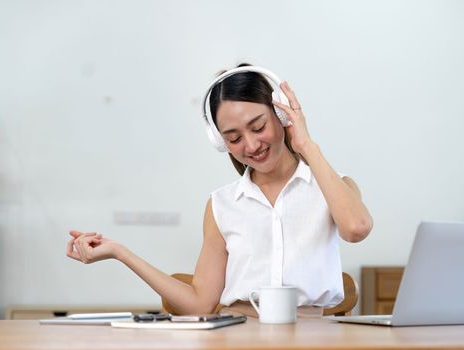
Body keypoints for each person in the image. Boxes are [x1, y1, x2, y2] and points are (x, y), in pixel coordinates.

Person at [67, 64, 373, 317]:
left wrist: (305, 143)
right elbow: (200, 303)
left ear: (281, 116)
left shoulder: (333, 186)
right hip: (237, 336)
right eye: (234, 137)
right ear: (219, 141)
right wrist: (120, 252)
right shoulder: (222, 205)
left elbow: (356, 228)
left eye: (258, 127)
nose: (251, 146)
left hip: (314, 337)